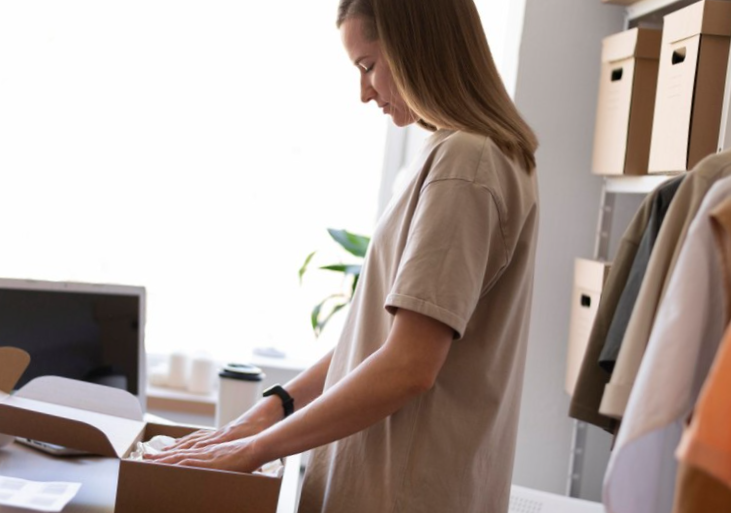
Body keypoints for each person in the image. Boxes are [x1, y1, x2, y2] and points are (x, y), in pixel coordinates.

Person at [147, 0, 539, 511]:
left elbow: (408, 366)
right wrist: (272, 408)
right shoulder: (470, 155)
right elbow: (384, 338)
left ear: (414, 47)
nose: (364, 91)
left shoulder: (465, 164)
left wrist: (252, 450)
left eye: (368, 65)